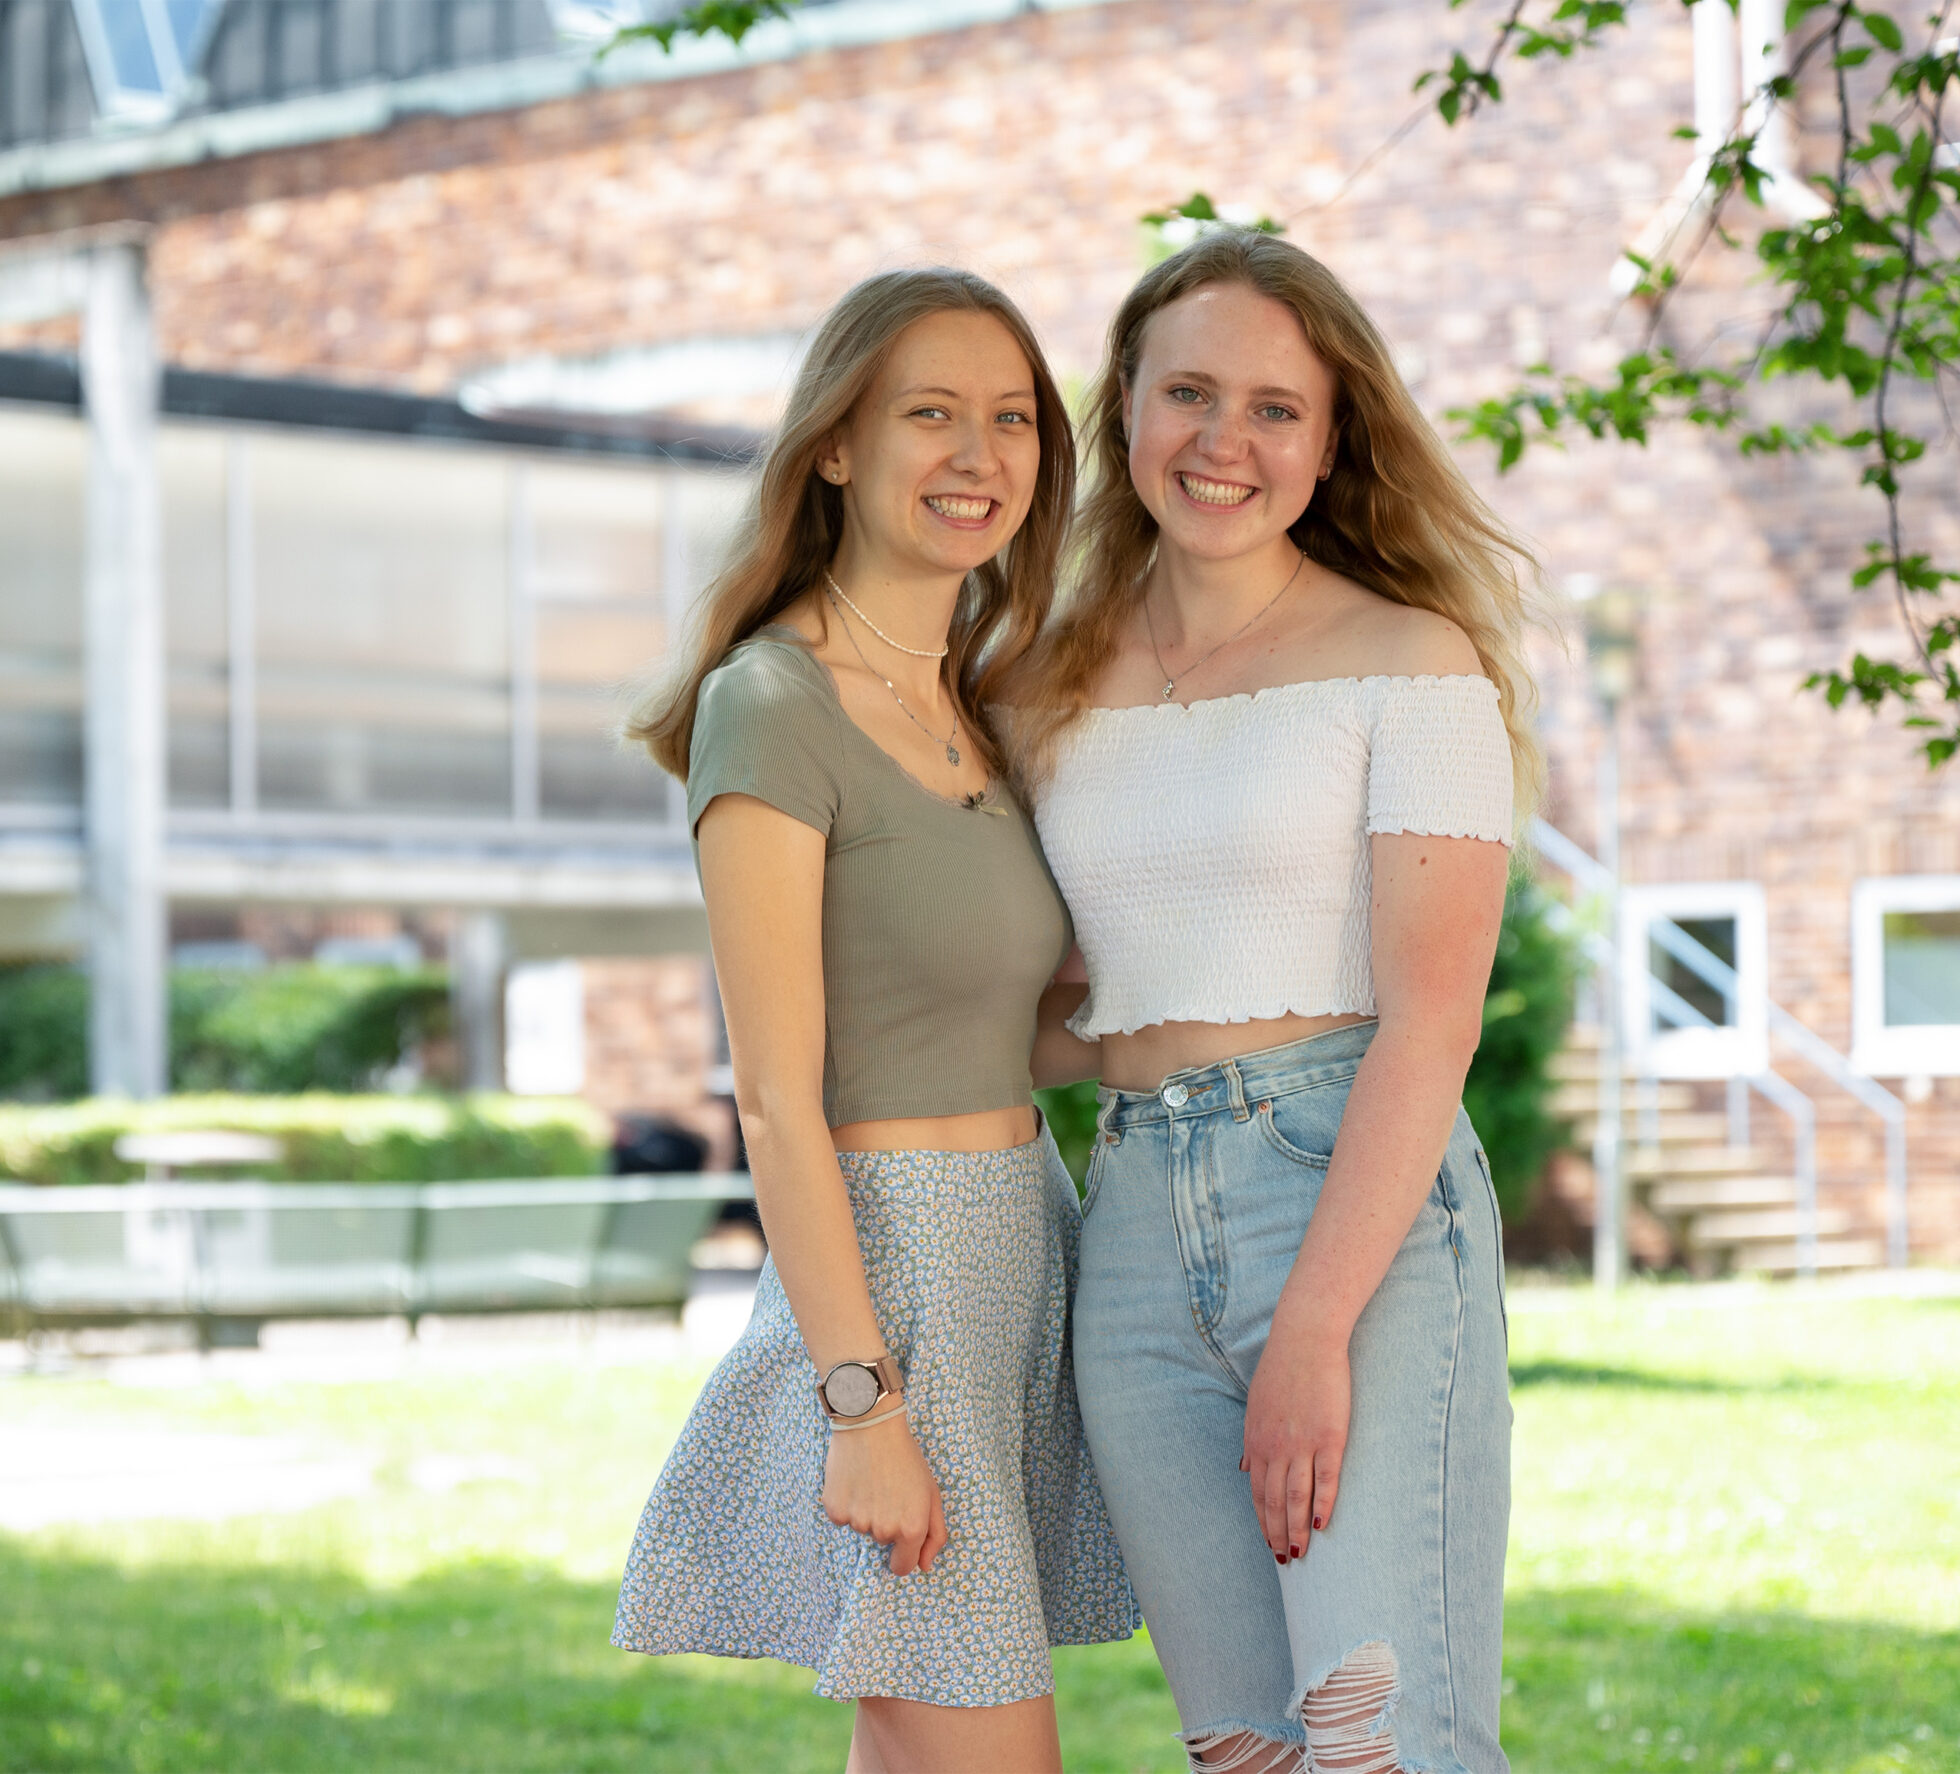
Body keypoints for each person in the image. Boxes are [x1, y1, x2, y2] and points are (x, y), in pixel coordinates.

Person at [1016, 231, 1540, 1774]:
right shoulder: (1046, 679)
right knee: (1248, 1751)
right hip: (1127, 1226)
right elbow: (1061, 1004)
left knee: (1383, 1746)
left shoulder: (1411, 664)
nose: (1224, 443)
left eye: (1274, 408)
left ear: (1330, 440)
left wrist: (1315, 1323)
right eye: (1189, 392)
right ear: (1122, 408)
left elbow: (1431, 1022)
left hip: (1346, 1206)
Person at [611, 267, 1136, 1774]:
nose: (979, 455)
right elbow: (776, 1096)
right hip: (891, 1280)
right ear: (835, 445)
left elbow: (994, 1024)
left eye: (1012, 419)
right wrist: (860, 1402)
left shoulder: (983, 701)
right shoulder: (773, 703)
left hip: (1016, 1257)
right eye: (931, 414)